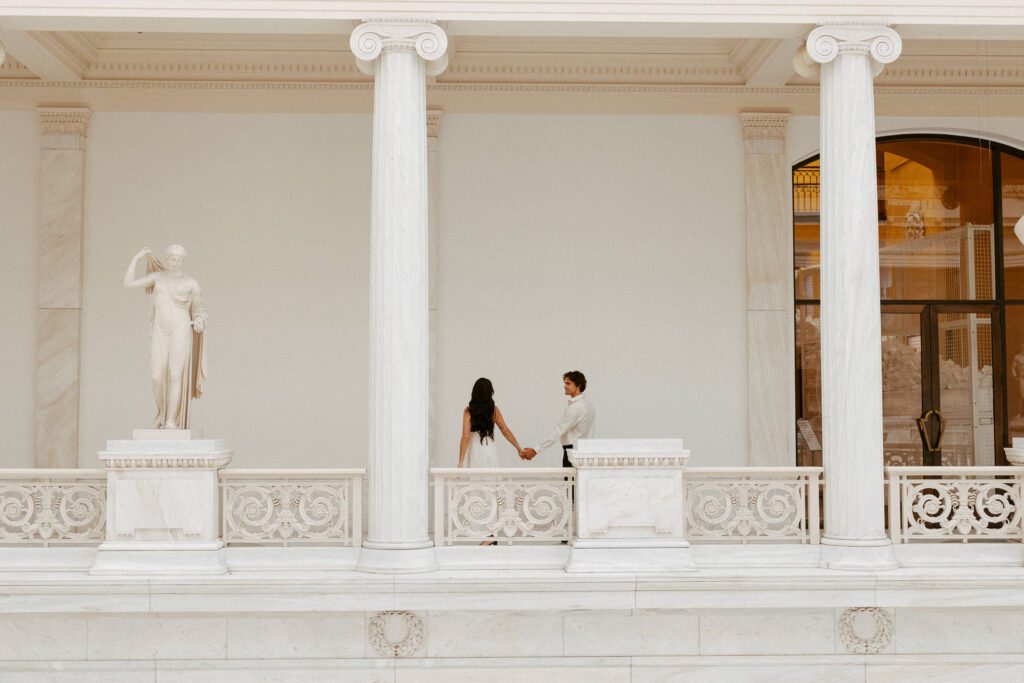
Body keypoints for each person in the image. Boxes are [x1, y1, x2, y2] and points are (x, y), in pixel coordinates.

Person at [123, 245, 207, 430]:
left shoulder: (191, 283)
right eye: (171, 258)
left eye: (178, 259)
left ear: (182, 261)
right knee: (156, 375)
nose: (174, 262)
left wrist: (200, 320)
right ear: (167, 259)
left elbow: (199, 308)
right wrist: (136, 258)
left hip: (180, 328)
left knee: (175, 374)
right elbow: (128, 283)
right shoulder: (157, 278)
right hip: (160, 330)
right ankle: (161, 412)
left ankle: (171, 420)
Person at [520, 370, 595, 467]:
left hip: (573, 453)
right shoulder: (588, 405)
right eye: (564, 383)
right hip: (584, 452)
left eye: (568, 383)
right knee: (579, 481)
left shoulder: (576, 407)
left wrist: (535, 450)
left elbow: (558, 431)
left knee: (570, 481)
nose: (565, 386)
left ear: (578, 385)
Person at [458, 377, 524, 468]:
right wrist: (519, 448)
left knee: (475, 480)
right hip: (490, 450)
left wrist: (460, 462)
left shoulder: (469, 411)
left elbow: (465, 437)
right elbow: (505, 430)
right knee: (491, 480)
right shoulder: (494, 410)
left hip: (475, 451)